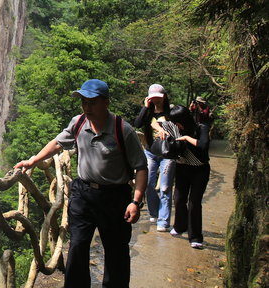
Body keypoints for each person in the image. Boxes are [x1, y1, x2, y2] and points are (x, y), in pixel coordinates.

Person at [14, 79, 147, 288]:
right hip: (83, 194)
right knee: (77, 246)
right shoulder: (78, 123)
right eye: (84, 101)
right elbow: (58, 143)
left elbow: (141, 168)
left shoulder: (123, 130)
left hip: (114, 197)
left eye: (92, 102)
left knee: (116, 251)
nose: (87, 107)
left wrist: (136, 202)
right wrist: (33, 160)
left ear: (106, 103)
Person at [167, 104, 211, 249]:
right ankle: (180, 226)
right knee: (179, 199)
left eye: (176, 122)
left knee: (194, 202)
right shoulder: (174, 128)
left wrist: (186, 138)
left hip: (200, 170)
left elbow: (203, 145)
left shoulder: (201, 127)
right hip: (183, 167)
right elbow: (155, 123)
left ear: (184, 119)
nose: (175, 125)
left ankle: (196, 237)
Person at [133, 83, 175, 231]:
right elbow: (137, 124)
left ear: (164, 97)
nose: (156, 100)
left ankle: (163, 221)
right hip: (150, 152)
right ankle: (155, 212)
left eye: (158, 97)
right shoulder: (148, 113)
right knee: (148, 184)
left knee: (165, 187)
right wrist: (145, 107)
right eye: (153, 98)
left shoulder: (172, 112)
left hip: (168, 154)